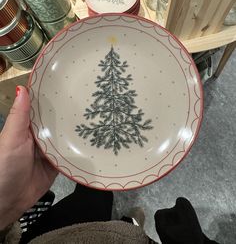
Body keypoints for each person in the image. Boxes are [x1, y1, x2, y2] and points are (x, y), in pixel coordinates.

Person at [0, 86, 219, 244]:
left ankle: (126, 223)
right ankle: (129, 225)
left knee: (93, 195)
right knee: (99, 202)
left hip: (46, 236)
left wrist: (4, 205)